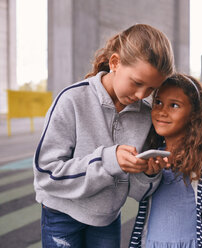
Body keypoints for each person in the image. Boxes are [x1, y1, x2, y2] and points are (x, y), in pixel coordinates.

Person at [33, 24, 175, 248]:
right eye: (137, 83)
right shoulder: (72, 100)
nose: (141, 95)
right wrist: (108, 161)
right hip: (62, 215)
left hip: (107, 220)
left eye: (150, 89)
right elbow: (45, 173)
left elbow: (139, 193)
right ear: (115, 63)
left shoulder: (147, 116)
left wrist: (147, 174)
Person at [129, 73, 202, 247]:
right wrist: (147, 175)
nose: (162, 111)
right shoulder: (151, 158)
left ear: (194, 115)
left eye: (174, 105)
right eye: (158, 102)